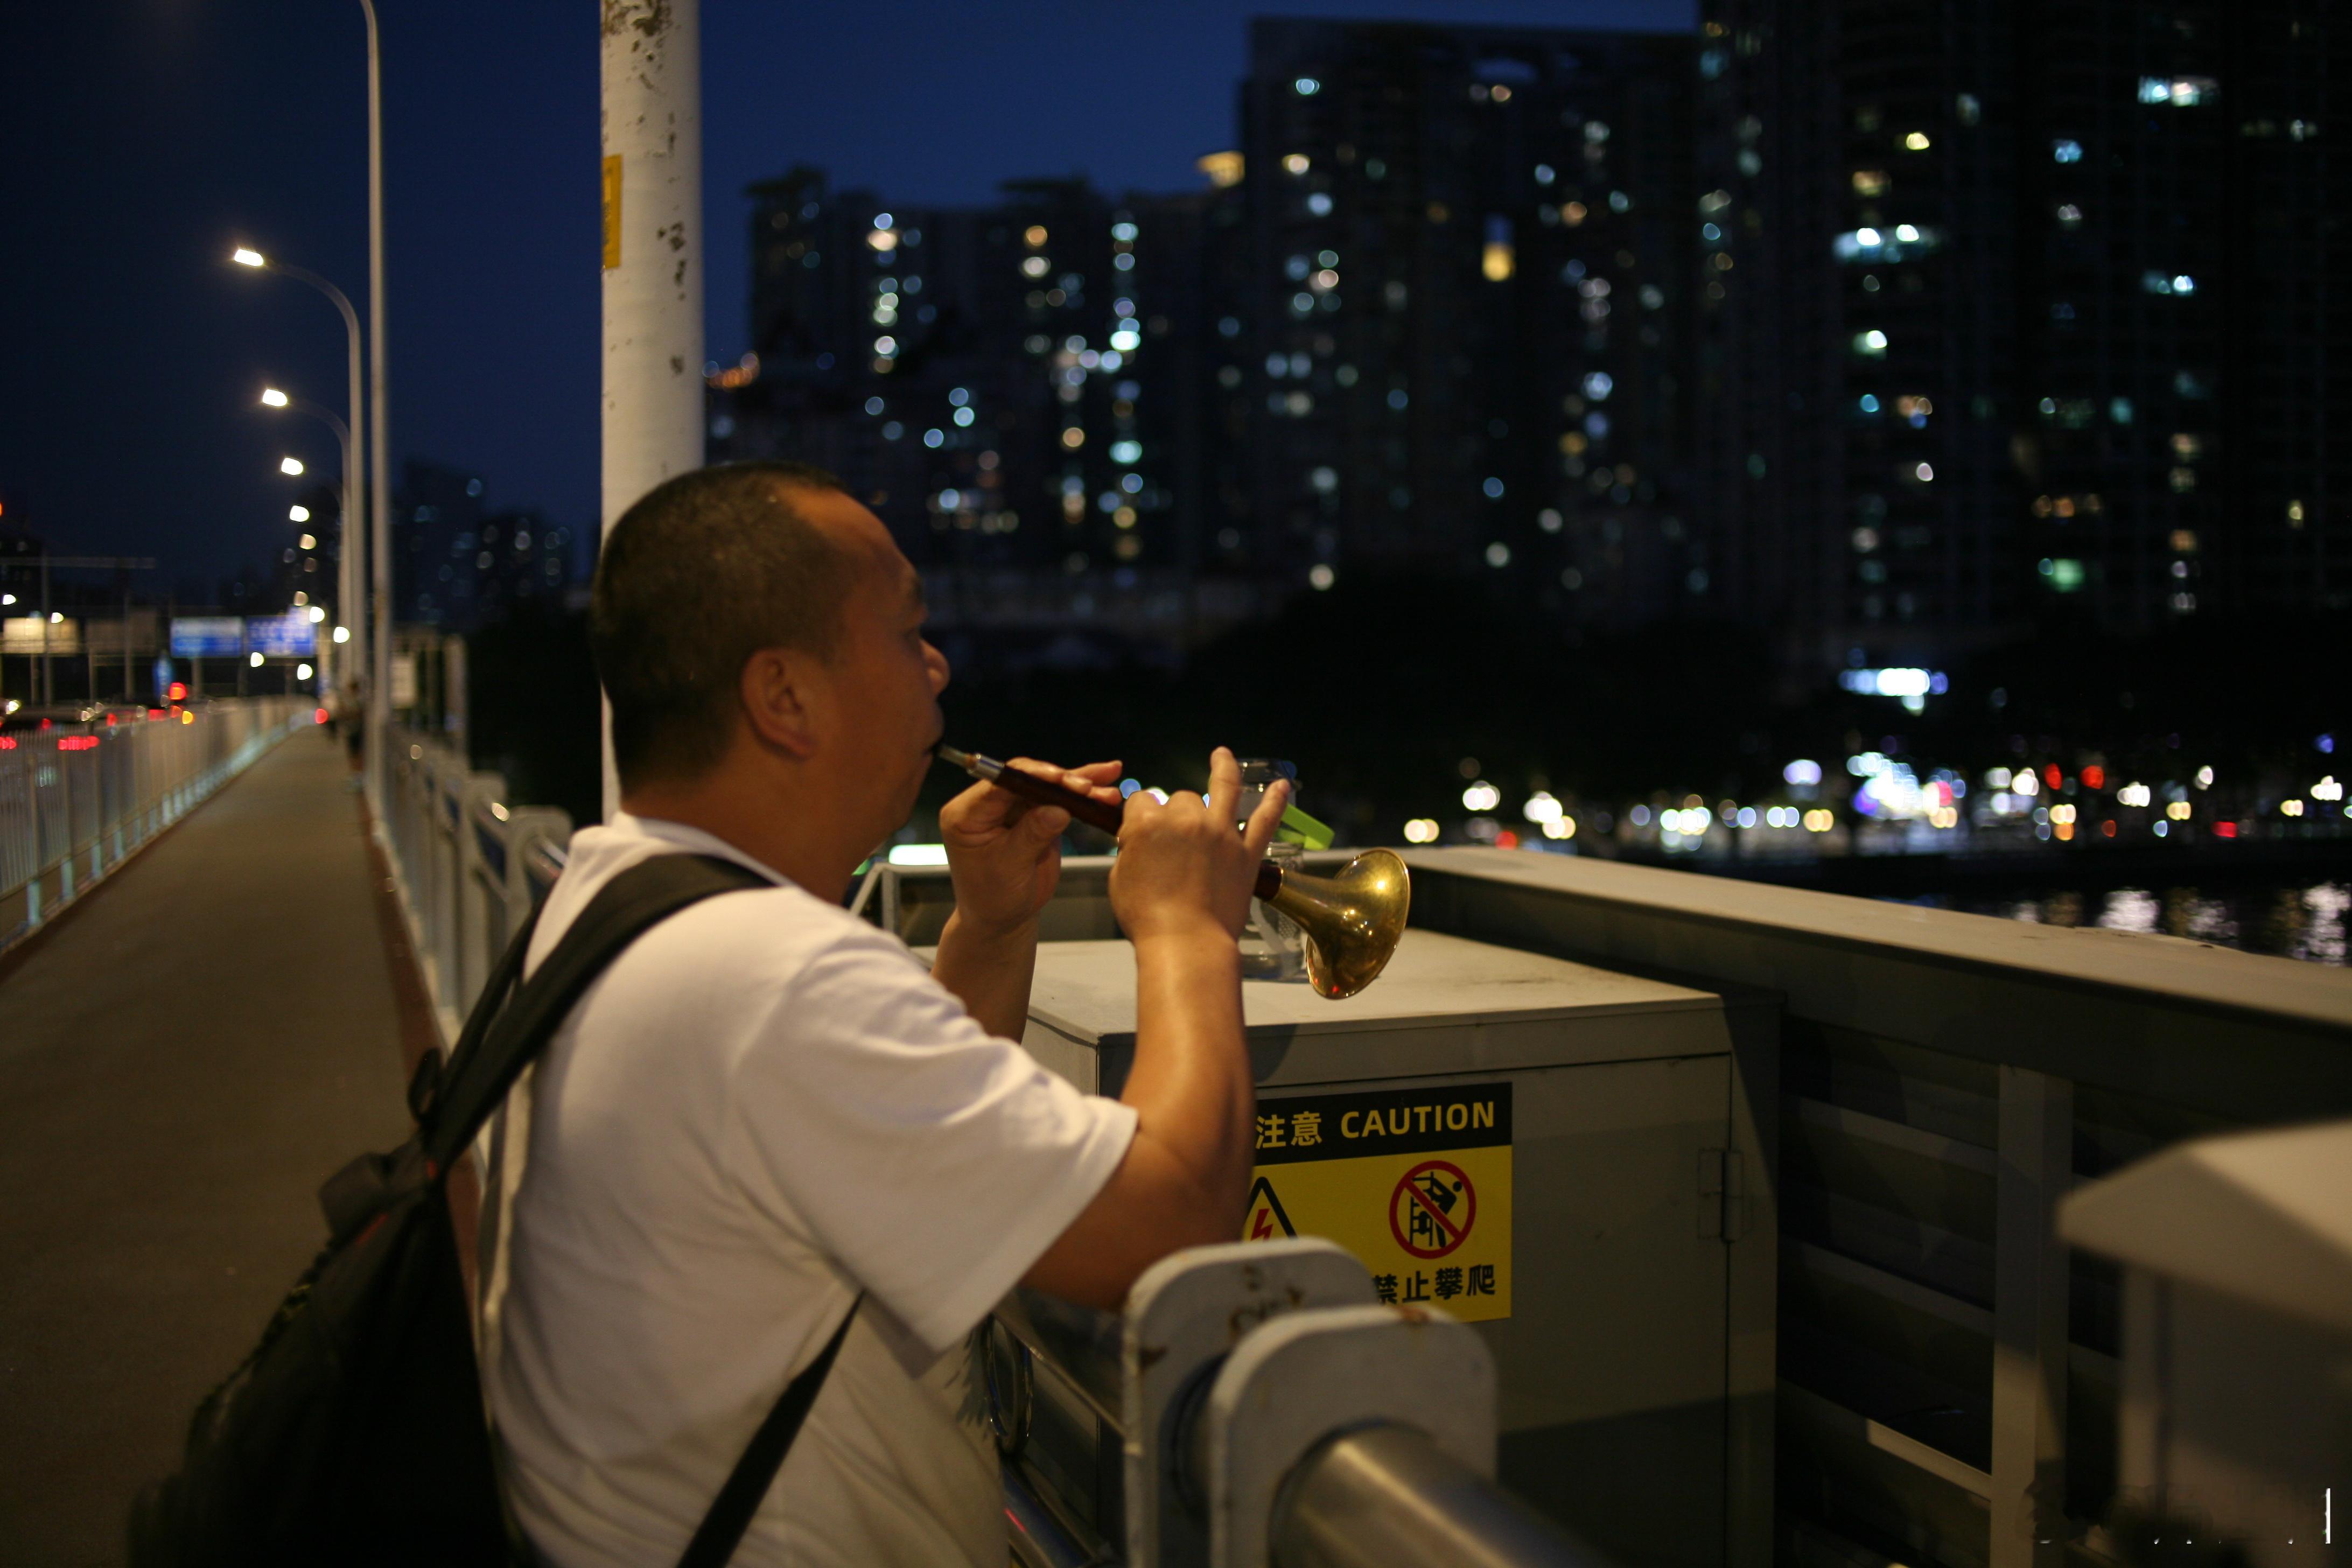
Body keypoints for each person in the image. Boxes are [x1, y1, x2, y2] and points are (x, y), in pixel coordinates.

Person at [477, 460, 1287, 1566]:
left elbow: (890, 1144)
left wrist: (994, 928)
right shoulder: (768, 975)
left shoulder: (607, 894)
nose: (939, 663)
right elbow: (1171, 1221)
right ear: (786, 699)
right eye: (908, 630)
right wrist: (1190, 927)